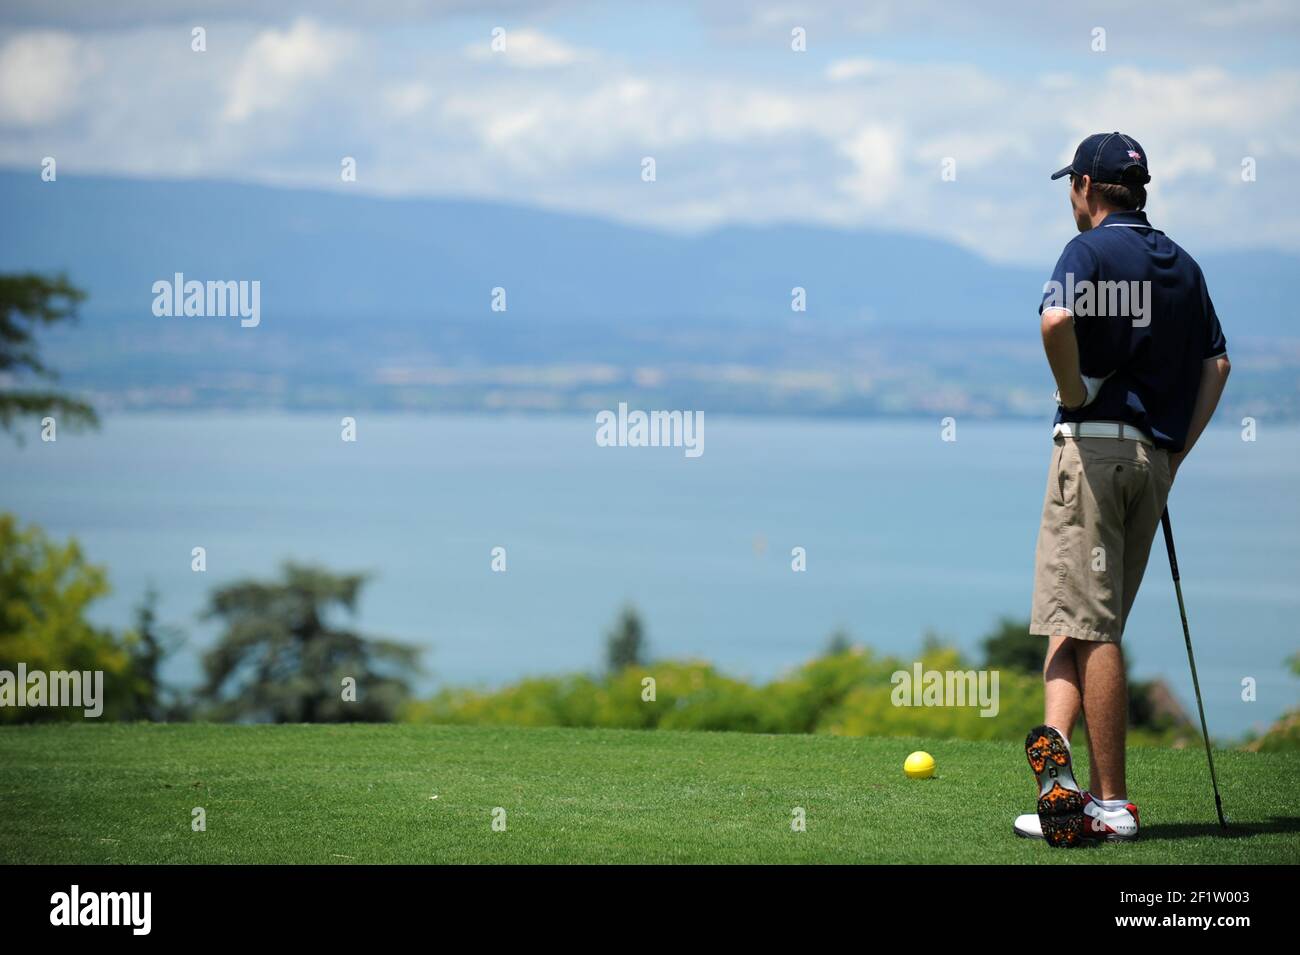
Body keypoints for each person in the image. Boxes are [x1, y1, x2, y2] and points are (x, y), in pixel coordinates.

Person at [1014, 132, 1231, 846]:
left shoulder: (1089, 251)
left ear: (1084, 186)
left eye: (1069, 187)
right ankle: (1063, 782)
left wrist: (1072, 389)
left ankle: (1113, 803)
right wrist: (1174, 451)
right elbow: (1217, 365)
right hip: (1149, 464)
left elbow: (1054, 321)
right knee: (1070, 615)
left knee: (1091, 623)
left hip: (1092, 450)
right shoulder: (1183, 264)